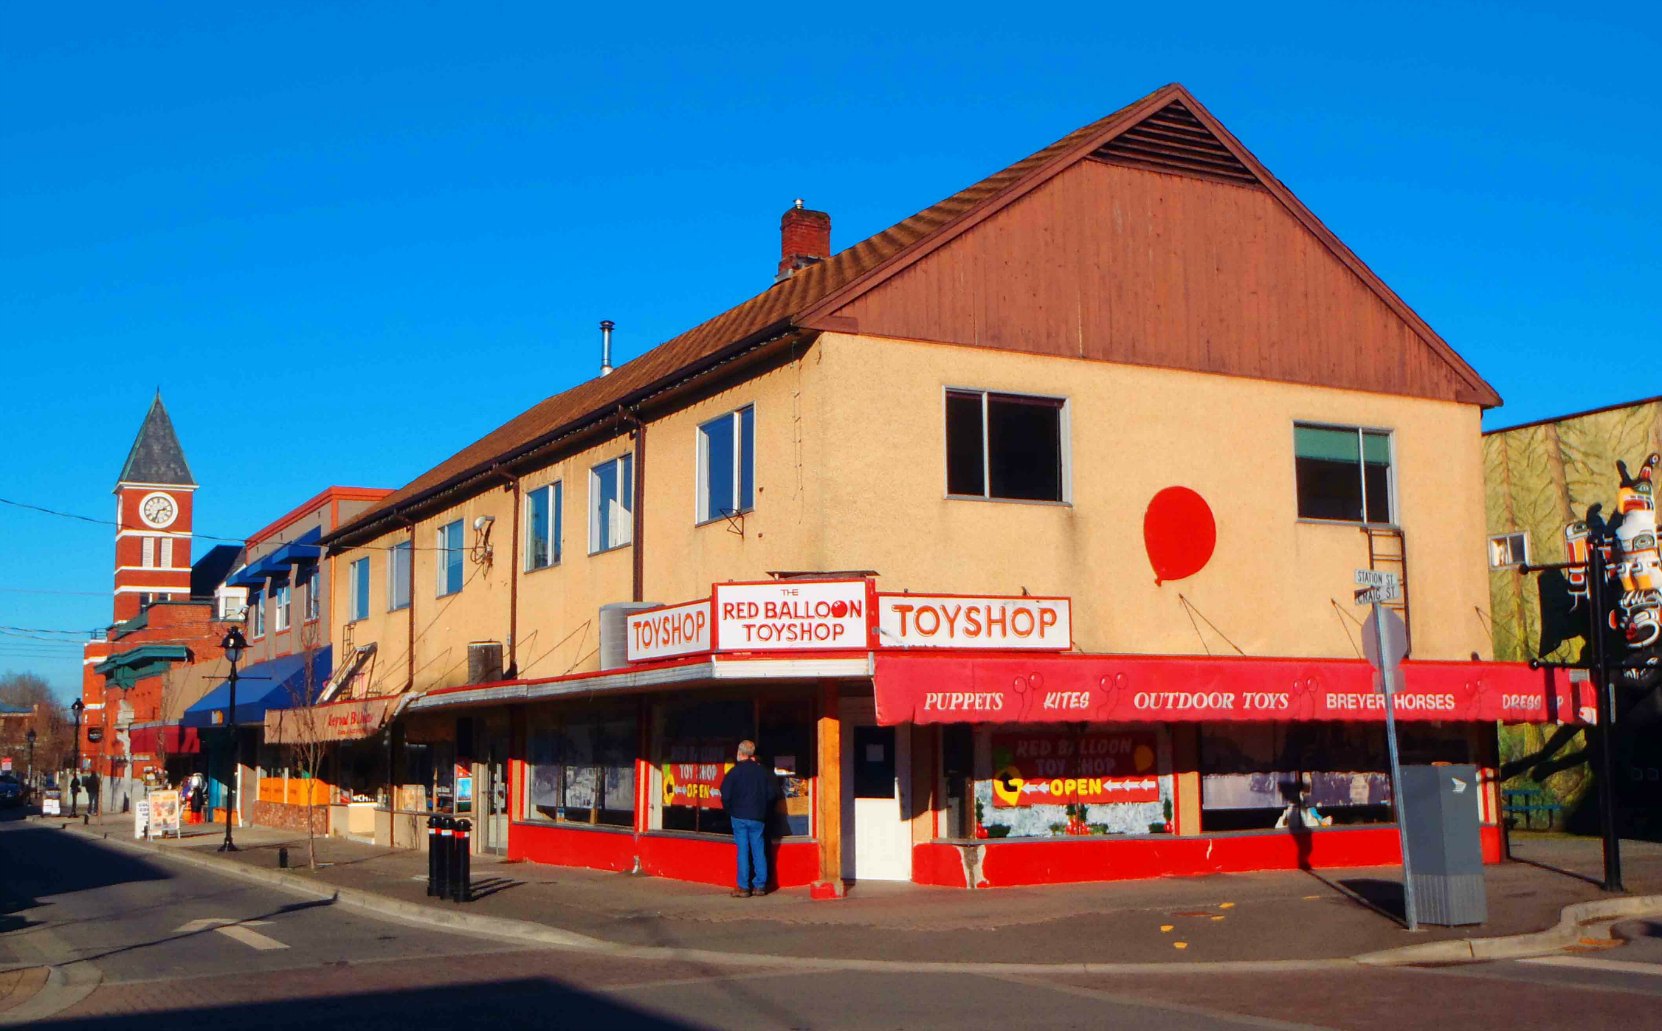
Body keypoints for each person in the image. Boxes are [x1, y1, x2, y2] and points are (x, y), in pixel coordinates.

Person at [717, 740, 780, 898]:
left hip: (739, 816)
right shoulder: (762, 772)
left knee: (743, 850)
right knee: (759, 850)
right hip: (758, 816)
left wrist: (730, 810)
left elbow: (725, 794)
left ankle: (744, 887)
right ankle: (760, 886)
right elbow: (772, 794)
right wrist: (763, 808)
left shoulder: (734, 772)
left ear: (740, 753)